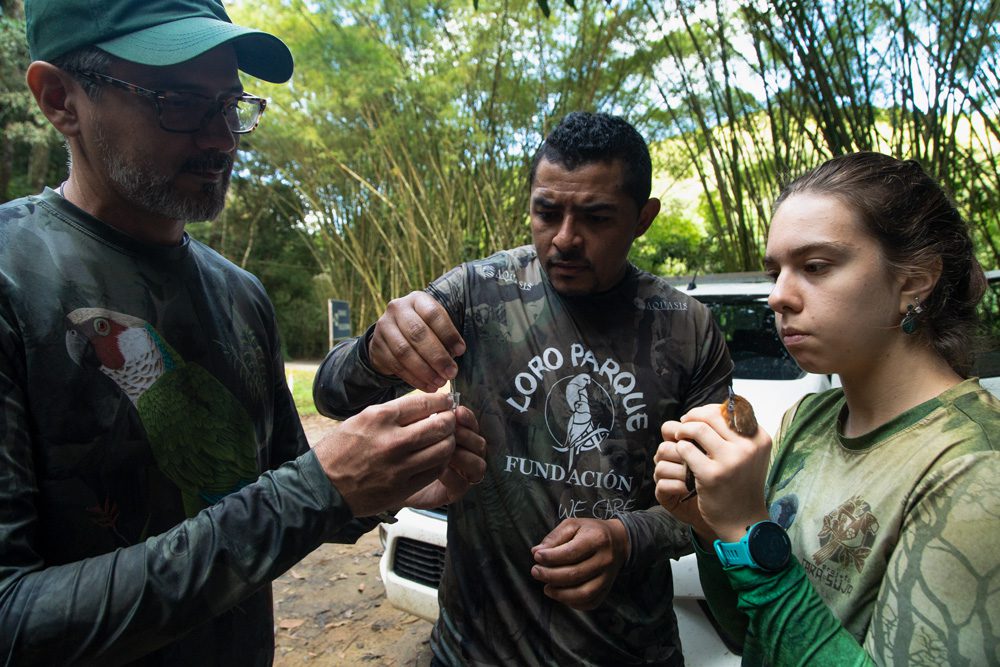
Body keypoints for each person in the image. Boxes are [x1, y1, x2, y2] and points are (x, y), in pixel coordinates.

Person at [0, 1, 486, 664]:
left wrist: (384, 488)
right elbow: (12, 616)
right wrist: (316, 489)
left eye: (230, 104)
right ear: (60, 99)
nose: (222, 137)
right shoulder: (11, 279)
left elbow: (282, 491)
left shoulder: (241, 296)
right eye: (177, 101)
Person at [314, 111, 734, 665]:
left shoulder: (686, 328)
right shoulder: (477, 293)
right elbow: (333, 396)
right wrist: (374, 349)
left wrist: (625, 537)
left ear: (643, 218)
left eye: (597, 217)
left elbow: (718, 502)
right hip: (473, 648)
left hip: (625, 650)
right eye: (546, 212)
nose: (565, 239)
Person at [653, 151, 1000, 665]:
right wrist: (710, 525)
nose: (778, 297)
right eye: (777, 271)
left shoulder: (975, 468)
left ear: (914, 280)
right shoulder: (807, 420)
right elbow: (744, 635)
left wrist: (747, 534)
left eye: (815, 266)